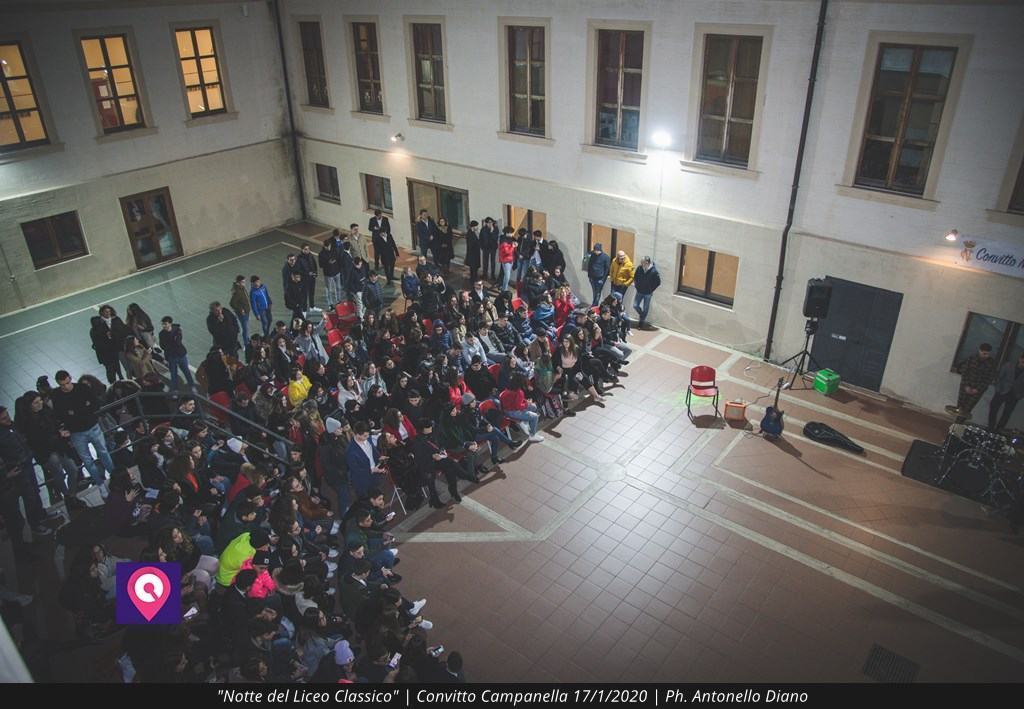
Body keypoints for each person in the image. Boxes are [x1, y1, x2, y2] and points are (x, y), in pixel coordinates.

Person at [49, 370, 114, 485]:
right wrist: (83, 409)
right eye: (62, 385)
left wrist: (74, 413)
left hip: (92, 427)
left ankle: (114, 477)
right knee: (87, 460)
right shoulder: (56, 395)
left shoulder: (82, 388)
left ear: (70, 378)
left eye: (67, 383)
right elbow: (59, 414)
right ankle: (99, 483)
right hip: (76, 432)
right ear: (58, 383)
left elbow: (95, 404)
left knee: (103, 453)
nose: (66, 387)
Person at [0, 405, 53, 539]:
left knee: (35, 492)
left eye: (7, 415)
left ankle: (41, 515)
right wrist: (6, 473)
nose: (7, 419)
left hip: (26, 463)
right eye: (4, 418)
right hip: (18, 470)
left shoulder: (12, 426)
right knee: (29, 496)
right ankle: (35, 525)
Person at [950, 343, 997, 420]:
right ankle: (956, 423)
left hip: (978, 389)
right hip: (966, 387)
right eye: (984, 353)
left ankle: (959, 423)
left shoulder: (991, 363)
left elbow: (989, 378)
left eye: (988, 354)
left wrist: (978, 389)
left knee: (967, 410)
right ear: (980, 351)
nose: (986, 356)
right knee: (960, 408)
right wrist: (966, 386)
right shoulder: (971, 358)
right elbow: (964, 372)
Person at [89, 305, 128, 383]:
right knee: (110, 369)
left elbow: (123, 331)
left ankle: (120, 378)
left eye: (109, 311)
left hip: (114, 349)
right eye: (106, 312)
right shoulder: (97, 328)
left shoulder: (115, 320)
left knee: (116, 366)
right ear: (102, 313)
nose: (108, 313)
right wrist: (108, 337)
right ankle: (114, 382)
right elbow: (98, 342)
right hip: (107, 353)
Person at [989, 354, 1024, 432]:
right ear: (1020, 359)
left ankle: (999, 430)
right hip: (1002, 390)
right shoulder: (1008, 366)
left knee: (1007, 413)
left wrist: (1020, 395)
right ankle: (990, 428)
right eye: (1023, 360)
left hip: (1015, 394)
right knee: (993, 408)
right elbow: (999, 377)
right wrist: (998, 389)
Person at [632, 256, 661, 330]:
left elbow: (658, 282)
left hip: (648, 293)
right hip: (639, 291)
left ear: (647, 263)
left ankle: (641, 322)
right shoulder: (639, 268)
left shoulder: (654, 271)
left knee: (645, 308)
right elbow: (635, 277)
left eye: (642, 262)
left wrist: (651, 289)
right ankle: (642, 316)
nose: (641, 263)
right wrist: (637, 286)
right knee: (635, 305)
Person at [318, 238, 342, 308]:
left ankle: (339, 300)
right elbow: (320, 265)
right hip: (328, 274)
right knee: (329, 289)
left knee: (338, 287)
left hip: (336, 272)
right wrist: (328, 262)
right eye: (327, 246)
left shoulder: (334, 250)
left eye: (329, 246)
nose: (329, 248)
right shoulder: (321, 254)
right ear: (324, 246)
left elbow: (338, 258)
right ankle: (330, 304)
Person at [586, 242, 611, 307]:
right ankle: (594, 304)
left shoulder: (606, 257)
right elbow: (590, 265)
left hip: (600, 278)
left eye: (597, 250)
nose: (595, 252)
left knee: (598, 293)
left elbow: (607, 269)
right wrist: (589, 275)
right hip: (592, 277)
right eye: (595, 250)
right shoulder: (593, 255)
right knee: (594, 292)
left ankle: (594, 305)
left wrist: (603, 279)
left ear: (600, 250)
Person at [298, 244, 320, 314]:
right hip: (304, 280)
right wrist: (307, 273)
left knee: (312, 293)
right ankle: (304, 310)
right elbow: (299, 270)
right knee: (304, 296)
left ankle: (312, 307)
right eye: (305, 249)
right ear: (302, 250)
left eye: (308, 249)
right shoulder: (299, 259)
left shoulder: (311, 255)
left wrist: (315, 273)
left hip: (312, 278)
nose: (307, 250)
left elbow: (314, 265)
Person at [229, 275, 251, 346]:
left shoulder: (241, 288)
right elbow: (232, 303)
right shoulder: (238, 291)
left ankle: (247, 339)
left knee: (246, 327)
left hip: (246, 311)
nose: (244, 283)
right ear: (239, 282)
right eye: (243, 282)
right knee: (245, 329)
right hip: (242, 313)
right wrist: (240, 309)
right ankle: (246, 343)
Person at [480, 216, 499, 282]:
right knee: (485, 262)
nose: (490, 224)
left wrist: (491, 232)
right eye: (488, 222)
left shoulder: (495, 229)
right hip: (485, 248)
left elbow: (495, 238)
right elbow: (480, 238)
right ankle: (485, 274)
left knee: (493, 262)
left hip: (493, 247)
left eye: (491, 222)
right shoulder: (483, 229)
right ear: (486, 223)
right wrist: (482, 246)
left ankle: (492, 275)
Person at [498, 228, 517, 293]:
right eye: (511, 233)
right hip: (506, 260)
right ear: (507, 233)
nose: (512, 234)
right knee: (507, 276)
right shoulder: (503, 241)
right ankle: (504, 289)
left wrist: (515, 245)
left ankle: (504, 288)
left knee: (506, 276)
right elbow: (507, 252)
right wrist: (513, 246)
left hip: (510, 259)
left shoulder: (510, 239)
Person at [464, 220, 482, 284]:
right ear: (473, 226)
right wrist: (478, 243)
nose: (477, 227)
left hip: (475, 253)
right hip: (472, 254)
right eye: (476, 226)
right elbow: (471, 244)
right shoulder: (470, 234)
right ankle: (473, 280)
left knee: (474, 268)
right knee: (473, 268)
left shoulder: (473, 232)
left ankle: (474, 279)